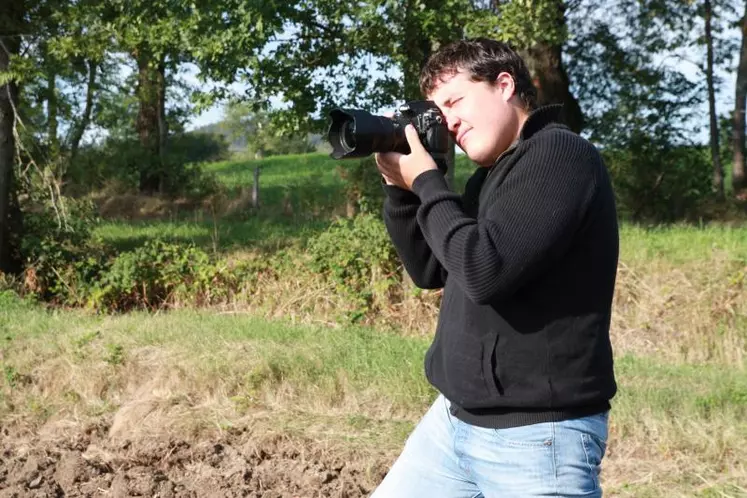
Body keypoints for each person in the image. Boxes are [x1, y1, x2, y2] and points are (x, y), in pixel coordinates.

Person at [371, 38, 619, 497]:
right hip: (452, 424)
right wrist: (399, 189)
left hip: (537, 439)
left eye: (455, 100)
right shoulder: (492, 176)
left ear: (504, 85)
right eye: (438, 111)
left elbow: (486, 270)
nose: (448, 120)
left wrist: (427, 181)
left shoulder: (560, 156)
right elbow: (431, 269)